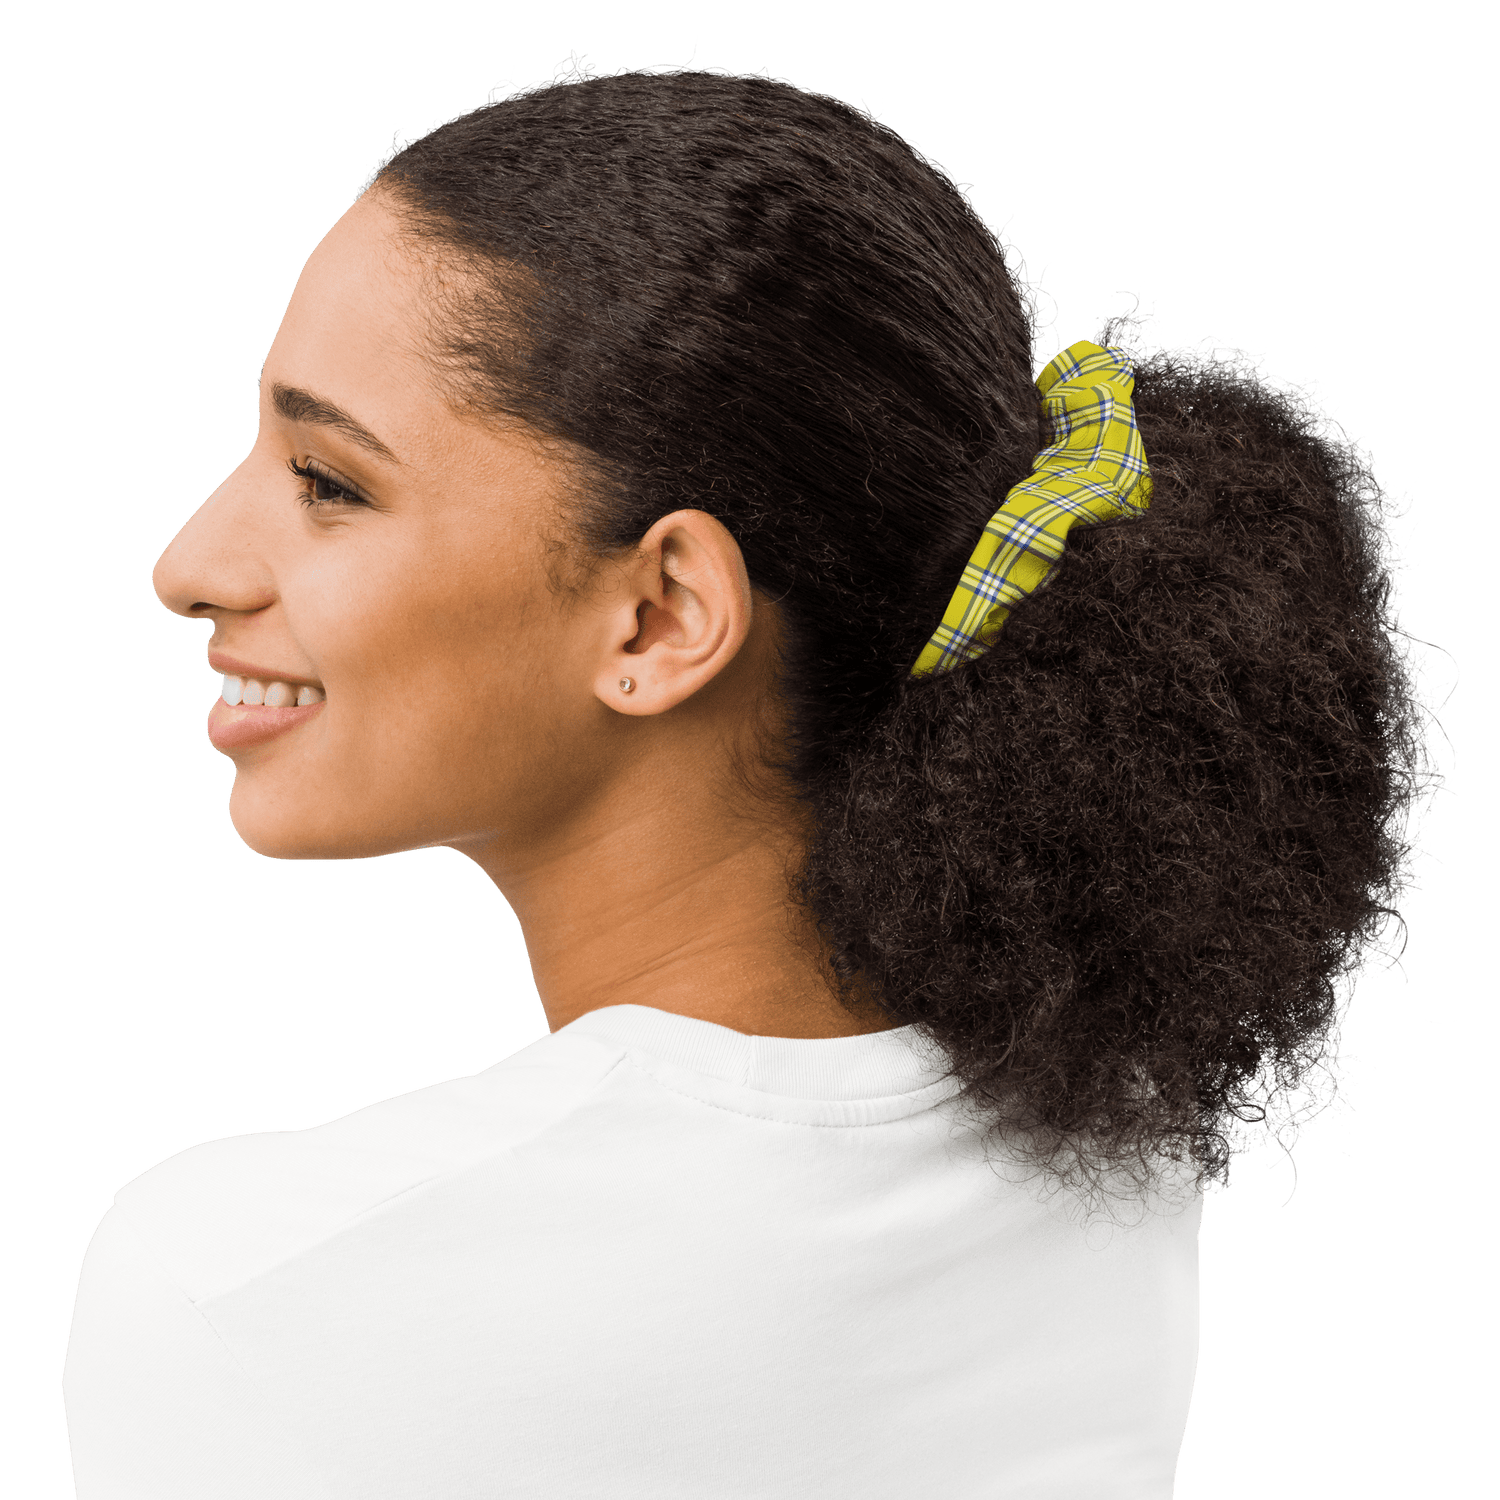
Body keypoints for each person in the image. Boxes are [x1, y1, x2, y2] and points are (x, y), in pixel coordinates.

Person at [60, 55, 1446, 1499]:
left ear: (662, 618)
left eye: (330, 483)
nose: (189, 565)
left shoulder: (243, 1286)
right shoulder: (1122, 1133)